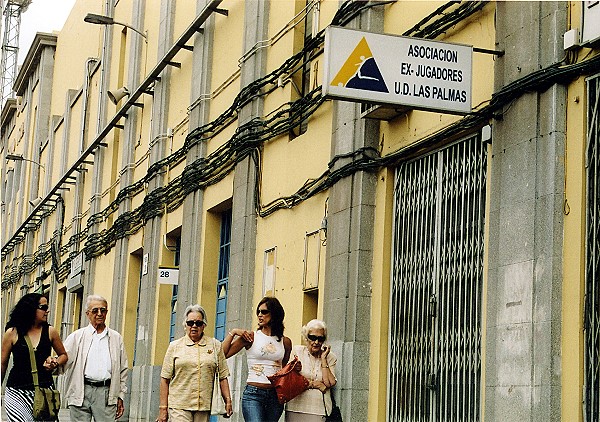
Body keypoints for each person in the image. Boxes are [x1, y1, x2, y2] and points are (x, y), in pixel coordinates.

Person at [157, 304, 233, 422]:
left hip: (203, 406)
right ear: (185, 325)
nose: (194, 326)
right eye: (190, 323)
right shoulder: (175, 346)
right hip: (179, 405)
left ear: (204, 326)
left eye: (198, 323)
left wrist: (228, 400)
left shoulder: (215, 345)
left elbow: (223, 376)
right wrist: (163, 408)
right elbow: (165, 378)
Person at [223, 296, 292, 422]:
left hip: (275, 395)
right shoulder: (251, 337)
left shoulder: (285, 341)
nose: (260, 315)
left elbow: (283, 367)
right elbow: (222, 354)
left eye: (264, 312)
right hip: (253, 394)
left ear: (275, 314)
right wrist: (233, 332)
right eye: (258, 312)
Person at [1, 293, 68, 421]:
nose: (47, 311)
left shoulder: (50, 331)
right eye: (43, 307)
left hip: (44, 392)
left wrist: (55, 362)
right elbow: (2, 363)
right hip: (17, 391)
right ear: (31, 308)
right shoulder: (12, 333)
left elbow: (63, 355)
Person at [61, 294, 128, 421]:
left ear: (107, 312)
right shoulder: (76, 337)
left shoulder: (116, 338)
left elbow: (123, 370)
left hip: (106, 393)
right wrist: (52, 364)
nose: (99, 314)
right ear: (87, 313)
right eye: (95, 310)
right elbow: (63, 360)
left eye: (103, 310)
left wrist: (120, 395)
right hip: (81, 390)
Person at [285, 319, 337, 422]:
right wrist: (316, 385)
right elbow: (289, 379)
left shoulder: (330, 357)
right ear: (306, 337)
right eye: (312, 338)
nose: (316, 342)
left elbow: (329, 383)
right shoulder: (297, 351)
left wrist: (323, 359)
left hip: (319, 409)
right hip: (295, 406)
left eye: (320, 338)